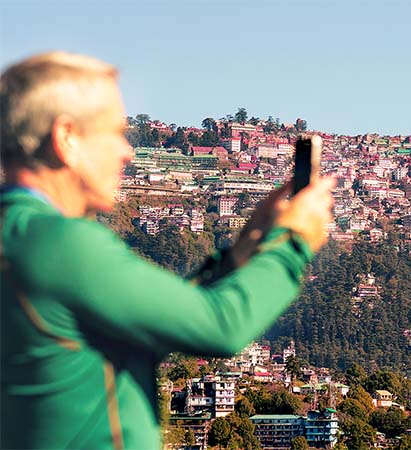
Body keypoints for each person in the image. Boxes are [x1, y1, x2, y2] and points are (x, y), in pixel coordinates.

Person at [0, 52, 335, 449]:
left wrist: (244, 249)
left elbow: (170, 321)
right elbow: (221, 327)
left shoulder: (20, 237)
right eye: (114, 133)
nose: (127, 152)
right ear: (66, 138)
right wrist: (293, 243)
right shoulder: (59, 243)